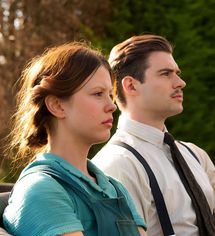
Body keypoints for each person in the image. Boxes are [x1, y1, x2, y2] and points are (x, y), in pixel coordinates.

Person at [92, 34, 215, 236]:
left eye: (177, 73)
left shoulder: (194, 155)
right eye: (166, 74)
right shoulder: (117, 165)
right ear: (131, 85)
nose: (181, 82)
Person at [2, 42, 147, 236]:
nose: (112, 106)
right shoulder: (41, 189)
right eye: (97, 94)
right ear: (57, 105)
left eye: (110, 95)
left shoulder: (115, 188)